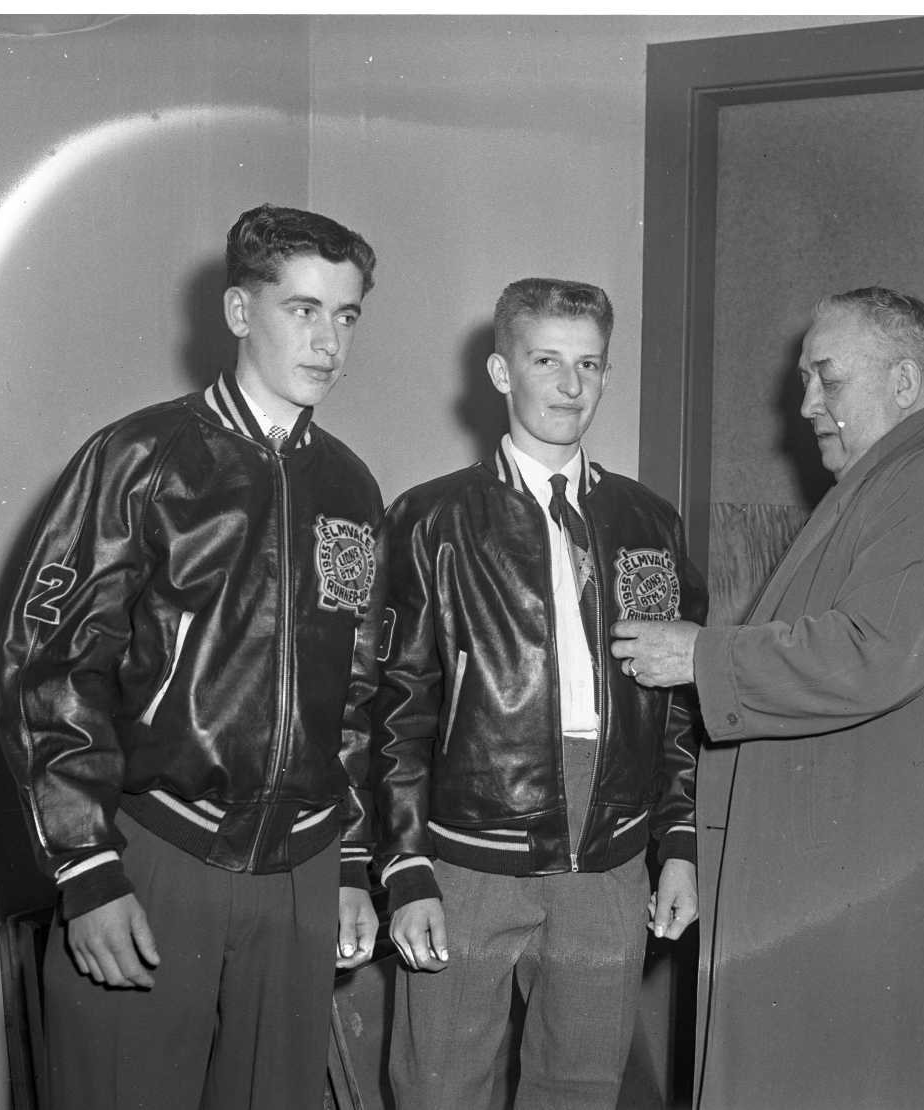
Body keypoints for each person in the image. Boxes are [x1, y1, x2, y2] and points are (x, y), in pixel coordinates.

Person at [0, 203, 384, 1109]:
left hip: (303, 872)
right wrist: (88, 869)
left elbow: (357, 693)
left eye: (347, 315)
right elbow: (51, 667)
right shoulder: (139, 458)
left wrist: (352, 862)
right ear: (240, 311)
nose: (328, 341)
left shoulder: (351, 485)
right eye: (302, 310)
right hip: (158, 849)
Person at [612, 287, 924, 1109]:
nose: (807, 405)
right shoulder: (893, 482)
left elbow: (873, 651)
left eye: (828, 379)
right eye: (806, 380)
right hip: (849, 878)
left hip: (878, 894)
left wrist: (702, 654)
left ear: (903, 382)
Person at [371, 277, 707, 1110]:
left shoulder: (648, 521)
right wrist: (406, 862)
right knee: (439, 1085)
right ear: (501, 371)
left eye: (588, 364)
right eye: (546, 360)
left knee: (582, 1088)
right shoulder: (432, 519)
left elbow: (675, 704)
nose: (569, 384)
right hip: (468, 851)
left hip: (610, 856)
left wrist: (679, 841)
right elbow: (397, 708)